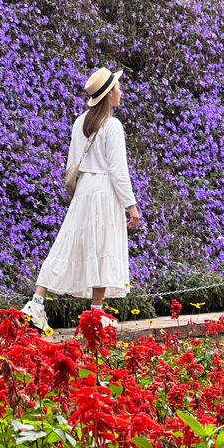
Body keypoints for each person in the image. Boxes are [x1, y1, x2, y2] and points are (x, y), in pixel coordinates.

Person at [20, 66, 141, 330]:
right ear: (109, 94)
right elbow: (118, 171)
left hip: (84, 190)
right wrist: (131, 205)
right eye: (117, 87)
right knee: (103, 248)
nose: (120, 91)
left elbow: (72, 163)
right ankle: (95, 314)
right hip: (105, 192)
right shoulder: (113, 126)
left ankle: (37, 303)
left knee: (66, 243)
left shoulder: (80, 122)